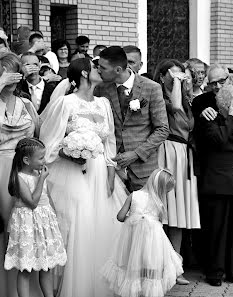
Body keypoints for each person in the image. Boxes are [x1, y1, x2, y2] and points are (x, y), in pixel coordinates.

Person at [39, 58, 128, 297]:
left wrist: (110, 173)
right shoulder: (66, 103)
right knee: (79, 224)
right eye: (97, 68)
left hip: (100, 173)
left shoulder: (104, 103)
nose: (101, 71)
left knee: (102, 225)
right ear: (86, 73)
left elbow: (109, 141)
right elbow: (48, 143)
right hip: (72, 173)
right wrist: (71, 155)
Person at [0, 52, 40, 297]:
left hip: (25, 168)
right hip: (1, 169)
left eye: (14, 71)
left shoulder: (26, 103)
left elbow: (36, 136)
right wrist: (0, 83)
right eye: (4, 72)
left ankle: (25, 289)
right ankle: (1, 289)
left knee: (27, 228)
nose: (11, 77)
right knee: (8, 227)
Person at [196, 85, 233, 286]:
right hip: (216, 183)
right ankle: (215, 272)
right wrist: (231, 117)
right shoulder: (210, 120)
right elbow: (218, 140)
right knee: (217, 230)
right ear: (226, 105)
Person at [95, 46, 169, 192]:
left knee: (145, 213)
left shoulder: (151, 88)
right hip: (111, 168)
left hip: (143, 169)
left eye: (103, 68)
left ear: (117, 70)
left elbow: (162, 129)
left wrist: (136, 154)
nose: (98, 70)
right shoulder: (100, 89)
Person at [101, 168, 183, 297]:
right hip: (152, 243)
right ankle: (148, 292)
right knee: (150, 265)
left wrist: (132, 219)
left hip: (132, 239)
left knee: (132, 264)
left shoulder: (133, 195)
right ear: (161, 189)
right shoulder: (159, 203)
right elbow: (160, 223)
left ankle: (133, 291)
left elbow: (120, 217)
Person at [153, 59, 199, 285]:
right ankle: (159, 265)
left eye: (182, 75)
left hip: (184, 155)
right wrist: (178, 86)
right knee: (165, 212)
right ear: (162, 77)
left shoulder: (188, 100)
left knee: (179, 213)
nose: (178, 79)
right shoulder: (160, 97)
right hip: (167, 152)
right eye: (173, 75)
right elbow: (176, 107)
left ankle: (176, 268)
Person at [4, 138, 67, 297]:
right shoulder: (19, 177)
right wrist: (41, 180)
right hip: (28, 224)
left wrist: (53, 218)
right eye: (40, 158)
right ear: (26, 160)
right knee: (26, 268)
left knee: (46, 266)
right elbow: (32, 202)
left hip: (44, 223)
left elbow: (47, 197)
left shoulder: (39, 172)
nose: (44, 161)